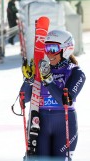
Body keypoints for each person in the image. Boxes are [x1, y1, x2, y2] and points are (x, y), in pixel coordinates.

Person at [20, 29, 86, 159]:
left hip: (64, 124)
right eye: (46, 48)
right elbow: (24, 99)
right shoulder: (42, 70)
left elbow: (65, 101)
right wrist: (28, 80)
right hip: (40, 123)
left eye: (52, 48)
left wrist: (49, 81)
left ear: (66, 49)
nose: (48, 53)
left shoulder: (76, 72)